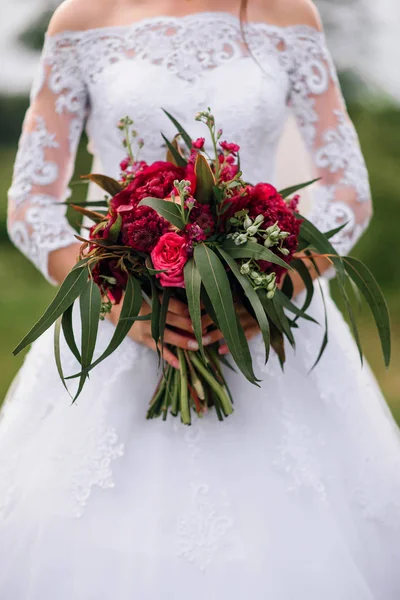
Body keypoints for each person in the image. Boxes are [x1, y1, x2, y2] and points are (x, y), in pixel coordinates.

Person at [2, 0, 400, 598]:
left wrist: (273, 288)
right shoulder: (81, 19)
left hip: (269, 328)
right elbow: (31, 203)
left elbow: (349, 193)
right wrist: (122, 305)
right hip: (125, 330)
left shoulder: (290, 15)